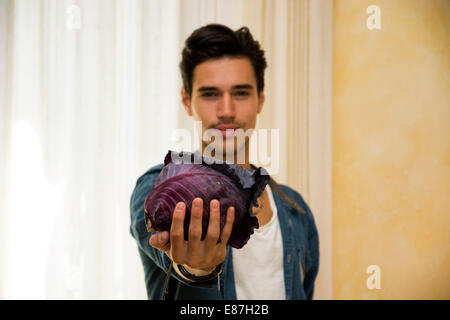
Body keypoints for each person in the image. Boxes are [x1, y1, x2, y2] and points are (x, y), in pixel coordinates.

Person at [129, 23, 319, 300]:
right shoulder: (160, 186)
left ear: (260, 99)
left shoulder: (296, 210)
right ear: (186, 100)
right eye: (210, 94)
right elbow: (178, 263)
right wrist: (198, 267)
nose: (227, 110)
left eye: (241, 93)